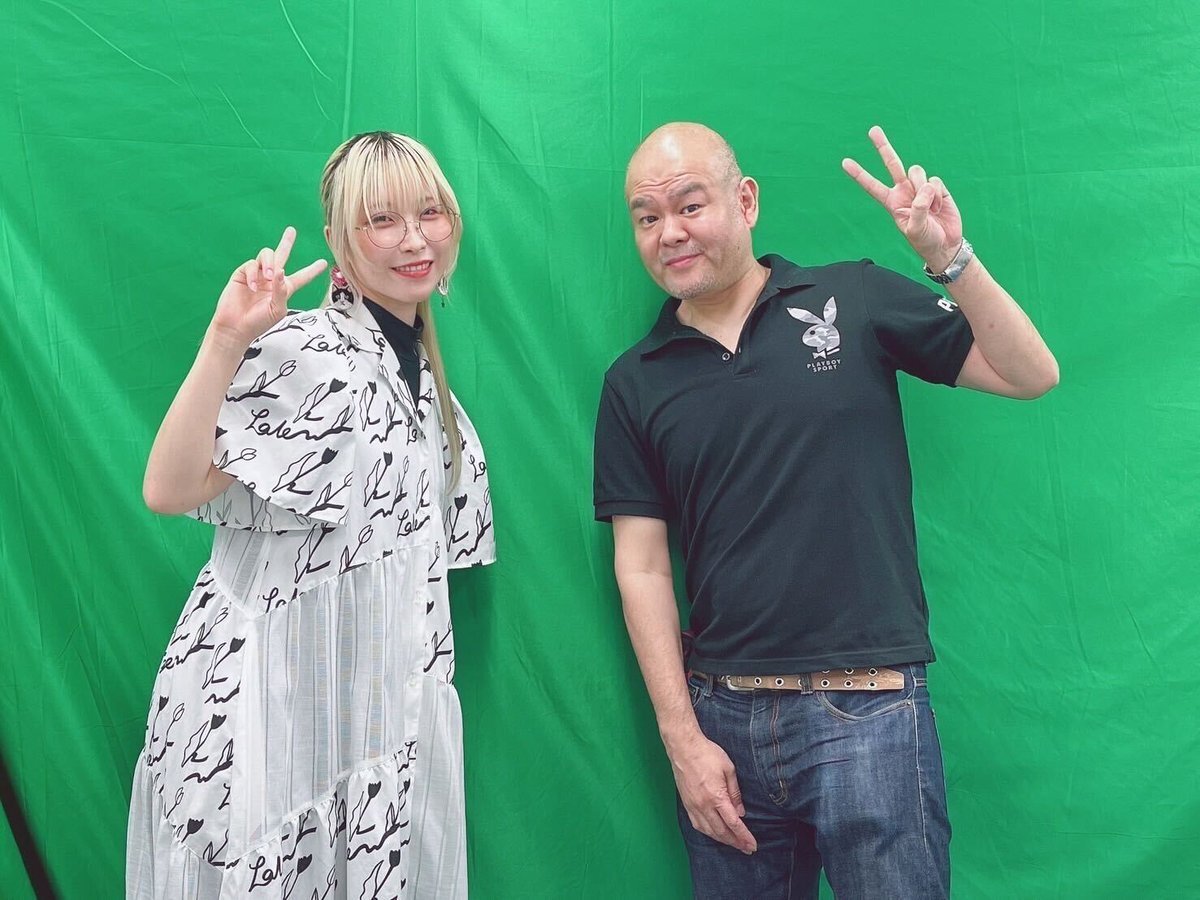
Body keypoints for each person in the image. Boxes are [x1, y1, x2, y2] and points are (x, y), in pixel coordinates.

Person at [593, 122, 1058, 899]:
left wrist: (950, 258)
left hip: (871, 714)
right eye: (647, 216)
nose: (669, 232)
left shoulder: (854, 297)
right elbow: (641, 568)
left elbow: (1030, 373)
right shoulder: (634, 381)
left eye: (689, 205)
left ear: (745, 202)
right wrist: (682, 740)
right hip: (724, 726)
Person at [128, 131, 495, 899]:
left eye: (430, 213)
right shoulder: (305, 351)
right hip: (266, 723)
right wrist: (227, 338)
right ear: (337, 238)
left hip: (368, 730)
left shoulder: (434, 393)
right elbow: (167, 487)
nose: (415, 239)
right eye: (382, 219)